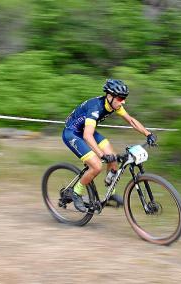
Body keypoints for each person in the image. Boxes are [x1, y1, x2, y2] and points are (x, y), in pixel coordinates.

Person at [62, 79, 157, 212]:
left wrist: (148, 134)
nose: (123, 101)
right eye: (120, 98)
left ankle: (110, 194)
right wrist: (101, 155)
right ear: (109, 96)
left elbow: (131, 120)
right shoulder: (95, 107)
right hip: (72, 133)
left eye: (124, 98)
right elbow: (87, 136)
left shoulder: (114, 105)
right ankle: (76, 192)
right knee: (97, 166)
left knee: (113, 159)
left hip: (87, 130)